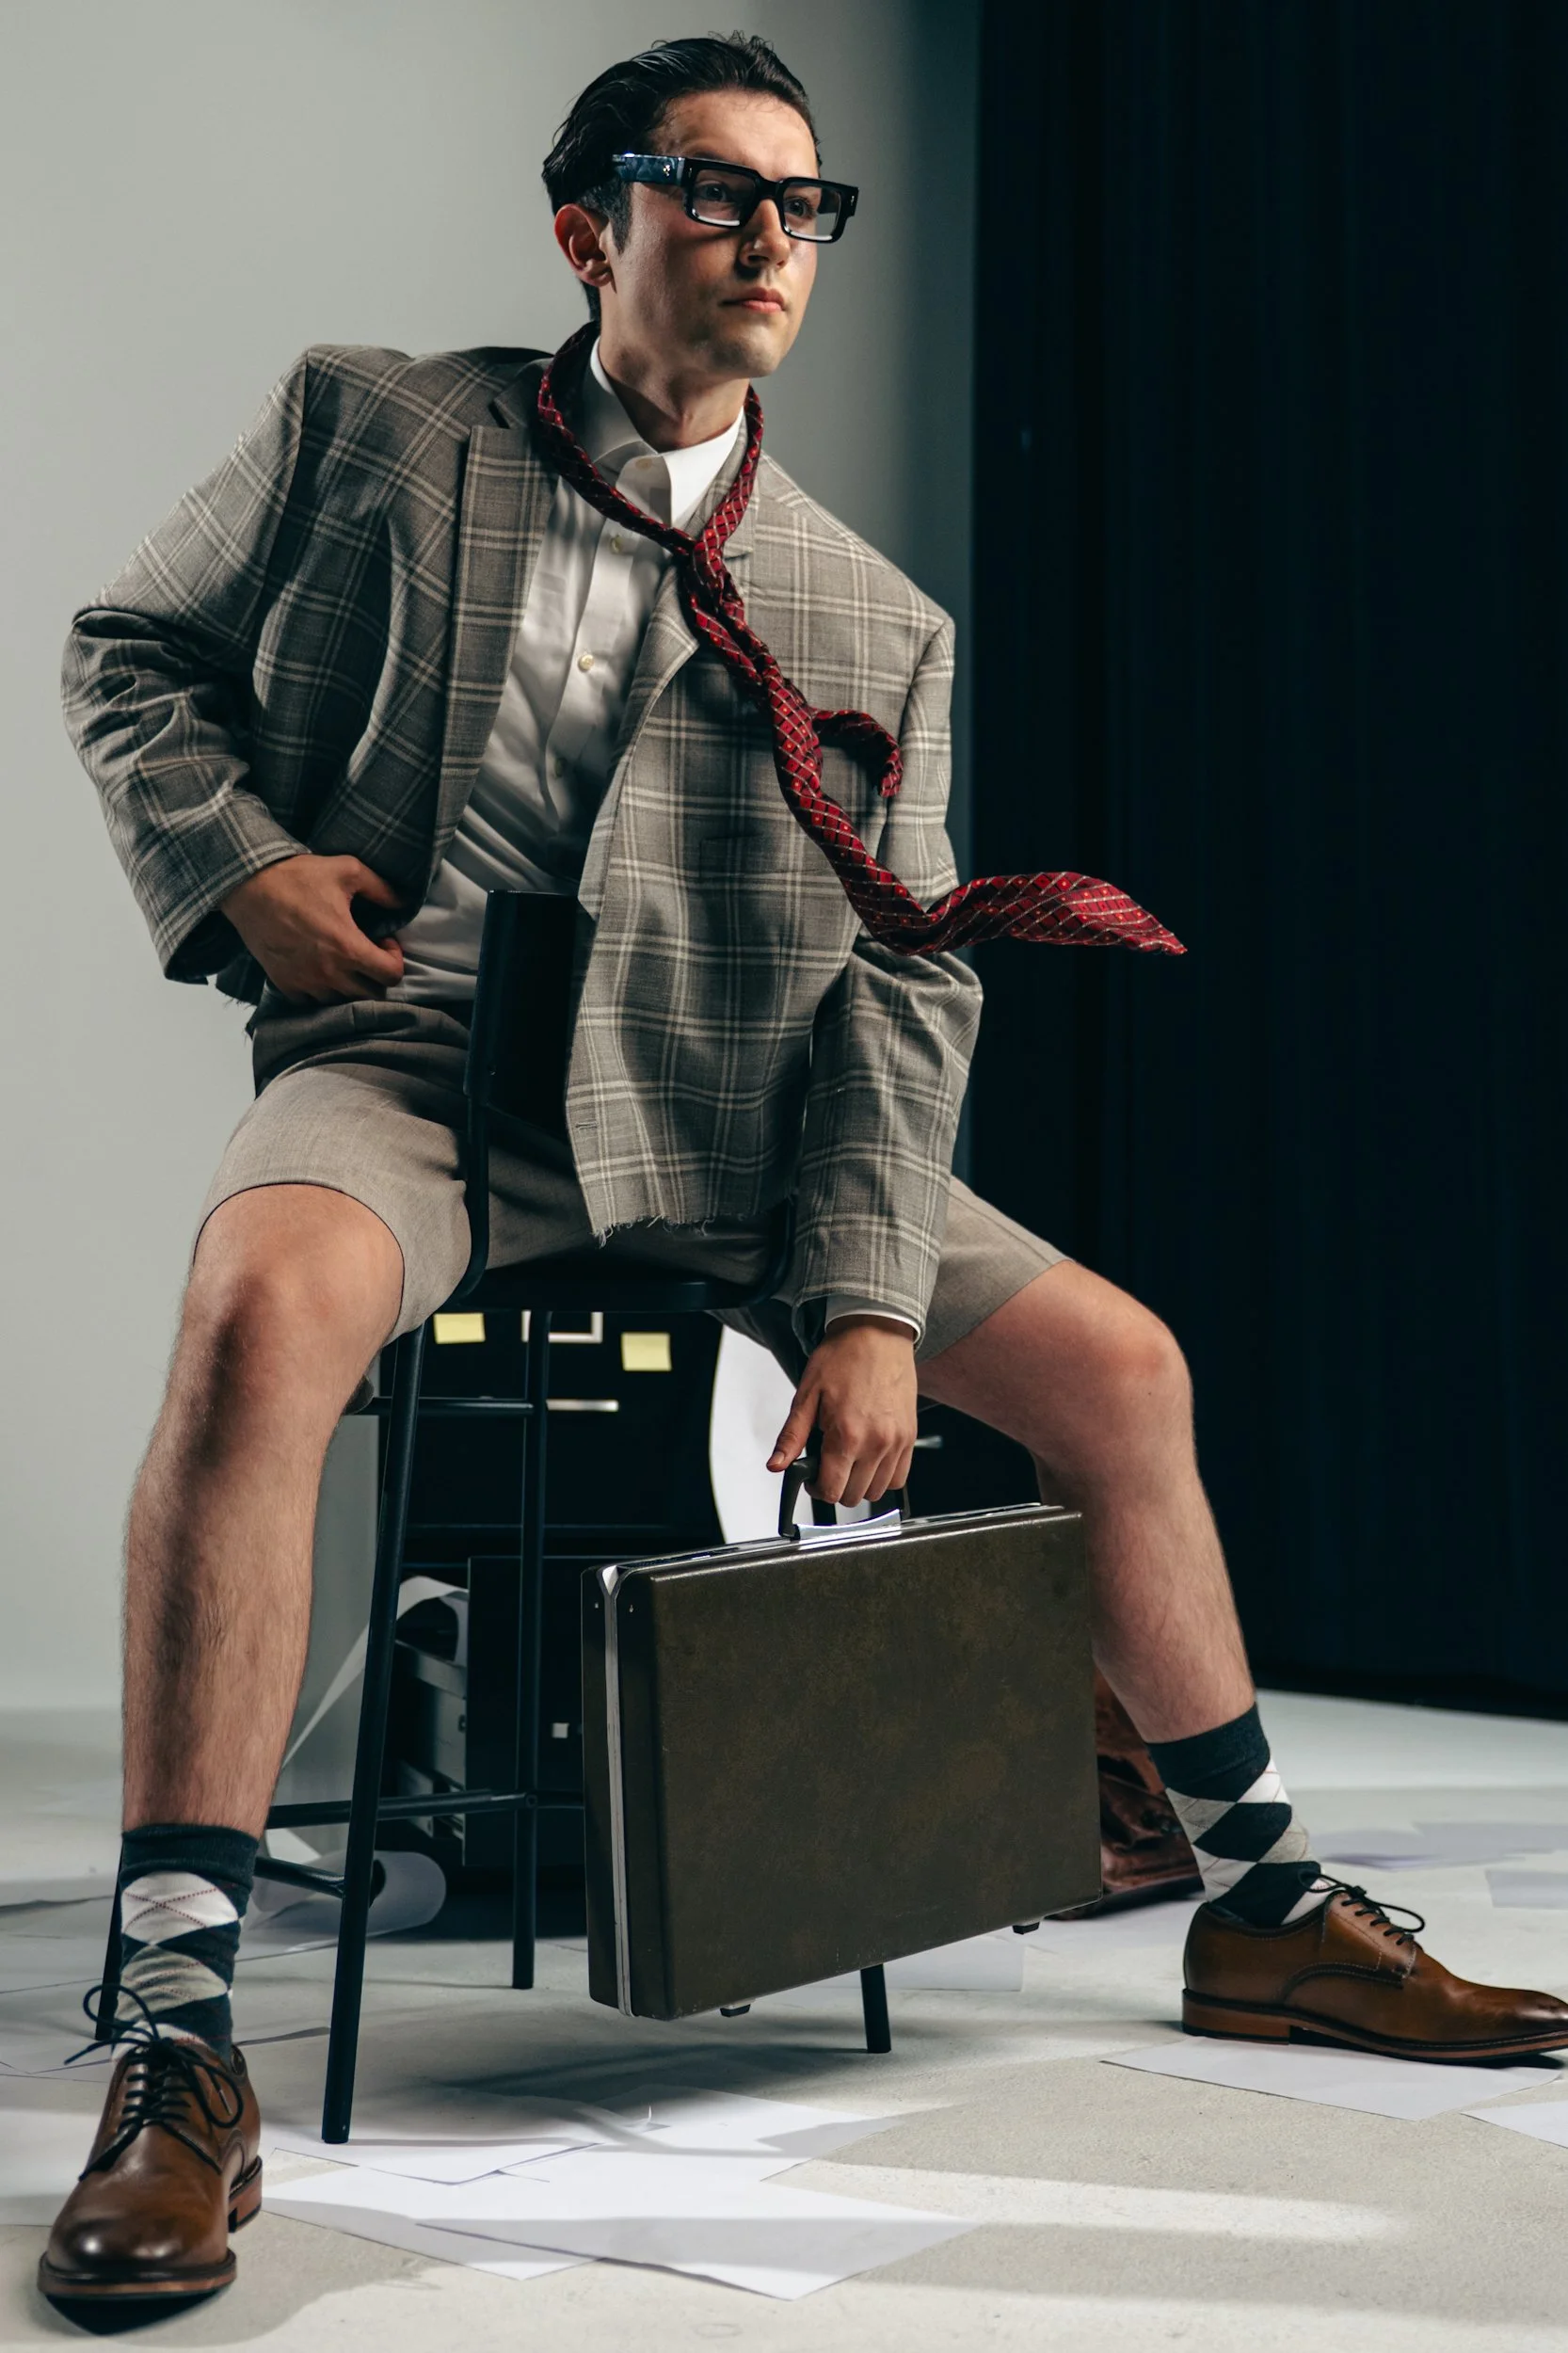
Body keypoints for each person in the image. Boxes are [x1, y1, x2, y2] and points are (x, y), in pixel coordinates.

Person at [42, 29, 1568, 2313]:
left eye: (805, 205)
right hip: (417, 1063)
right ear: (592, 229)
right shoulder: (372, 420)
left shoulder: (867, 619)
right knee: (256, 1309)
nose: (772, 237)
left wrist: (860, 1295)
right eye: (716, 191)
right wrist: (246, 871)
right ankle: (174, 2037)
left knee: (1121, 1369)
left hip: (729, 1108)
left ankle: (1264, 1915)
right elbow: (129, 651)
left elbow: (909, 981)